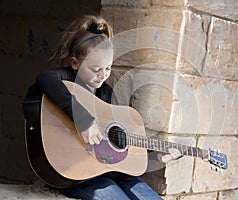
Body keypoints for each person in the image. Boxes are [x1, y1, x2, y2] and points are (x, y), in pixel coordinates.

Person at [23, 14, 182, 200]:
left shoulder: (106, 94)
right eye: (96, 69)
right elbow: (45, 78)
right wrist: (83, 120)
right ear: (75, 63)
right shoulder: (65, 78)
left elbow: (121, 154)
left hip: (105, 171)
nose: (103, 75)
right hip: (76, 174)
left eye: (108, 68)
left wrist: (156, 159)